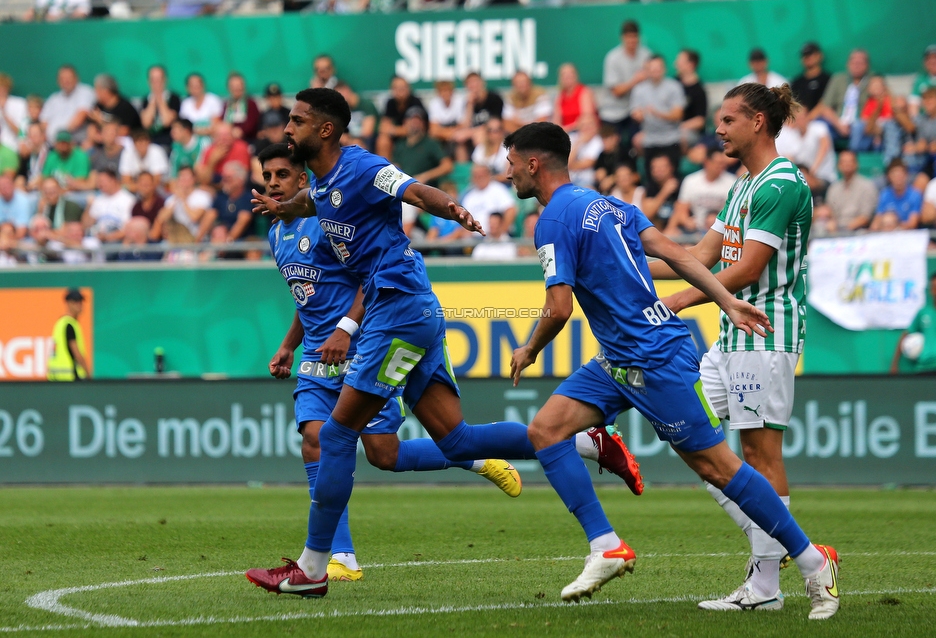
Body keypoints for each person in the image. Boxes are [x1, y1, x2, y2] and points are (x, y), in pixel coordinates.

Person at [246, 89, 643, 598]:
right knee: (456, 441)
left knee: (338, 435)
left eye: (297, 121)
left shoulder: (362, 166)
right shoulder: (322, 184)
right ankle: (585, 441)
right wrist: (284, 207)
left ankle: (315, 566)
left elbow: (411, 190)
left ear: (325, 129)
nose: (287, 130)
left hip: (397, 310)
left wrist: (452, 208)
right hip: (413, 310)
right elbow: (313, 202)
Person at [505, 120, 838, 617]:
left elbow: (558, 309)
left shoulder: (551, 221)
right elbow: (680, 254)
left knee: (717, 467)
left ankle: (813, 562)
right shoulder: (610, 204)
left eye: (511, 165)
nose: (508, 174)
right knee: (546, 430)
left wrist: (529, 348)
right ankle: (605, 545)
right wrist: (725, 300)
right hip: (617, 358)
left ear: (534, 164)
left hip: (655, 357)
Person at [257, 142, 523, 582]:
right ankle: (339, 556)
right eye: (267, 177)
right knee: (315, 439)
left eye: (281, 176)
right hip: (317, 356)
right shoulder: (276, 234)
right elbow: (307, 298)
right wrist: (289, 344)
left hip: (362, 343)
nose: (272, 185)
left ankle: (473, 457)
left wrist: (347, 327)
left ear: (302, 180)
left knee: (382, 453)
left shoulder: (327, 220)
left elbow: (369, 278)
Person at [648, 84, 829, 614]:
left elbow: (749, 269)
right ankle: (798, 556)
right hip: (730, 335)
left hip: (764, 332)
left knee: (757, 455)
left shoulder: (781, 184)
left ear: (756, 121)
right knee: (694, 438)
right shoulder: (743, 184)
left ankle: (768, 587)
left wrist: (680, 298)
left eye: (727, 120)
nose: (718, 129)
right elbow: (700, 254)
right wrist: (622, 260)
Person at [630, 55, 685, 177]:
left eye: (658, 67)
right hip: (649, 138)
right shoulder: (639, 89)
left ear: (664, 69)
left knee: (673, 175)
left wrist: (657, 113)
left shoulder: (674, 86)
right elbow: (635, 111)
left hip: (671, 136)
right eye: (652, 68)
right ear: (647, 70)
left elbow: (678, 114)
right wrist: (637, 115)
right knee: (651, 175)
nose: (655, 71)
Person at [664, 148, 737, 236]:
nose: (720, 166)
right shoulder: (691, 180)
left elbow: (734, 211)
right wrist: (687, 221)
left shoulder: (732, 181)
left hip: (723, 229)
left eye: (722, 163)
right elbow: (681, 208)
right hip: (696, 229)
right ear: (707, 162)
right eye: (717, 163)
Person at [600, 20, 651, 138]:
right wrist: (635, 80)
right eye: (629, 37)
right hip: (613, 110)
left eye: (635, 36)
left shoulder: (646, 55)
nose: (632, 40)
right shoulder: (612, 58)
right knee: (613, 143)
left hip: (637, 109)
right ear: (622, 38)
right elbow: (616, 92)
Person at [820, 150, 878, 233]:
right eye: (843, 162)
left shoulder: (867, 186)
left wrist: (846, 229)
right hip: (836, 229)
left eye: (850, 161)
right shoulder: (834, 188)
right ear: (838, 166)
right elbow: (830, 212)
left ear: (856, 164)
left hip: (859, 230)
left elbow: (866, 217)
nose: (847, 164)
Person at [40, 65, 95, 144]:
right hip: (51, 143)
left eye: (69, 78)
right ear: (58, 81)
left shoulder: (85, 92)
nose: (66, 81)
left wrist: (61, 136)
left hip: (74, 142)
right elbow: (44, 121)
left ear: (76, 78)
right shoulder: (53, 98)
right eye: (63, 78)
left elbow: (82, 115)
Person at [47, 288, 91, 381]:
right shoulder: (69, 324)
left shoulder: (60, 323)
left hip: (55, 377)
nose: (79, 305)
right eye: (75, 301)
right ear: (68, 303)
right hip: (69, 377)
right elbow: (77, 353)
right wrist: (88, 375)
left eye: (80, 301)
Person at [870, 159, 922, 231]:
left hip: (906, 234)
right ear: (889, 177)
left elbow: (913, 223)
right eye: (894, 175)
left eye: (900, 175)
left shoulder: (915, 195)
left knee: (889, 220)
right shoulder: (884, 194)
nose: (898, 178)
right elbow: (877, 220)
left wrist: (894, 225)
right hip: (886, 233)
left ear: (906, 175)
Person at [139, 65, 182, 148]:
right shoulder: (146, 100)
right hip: (150, 142)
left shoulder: (174, 98)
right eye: (153, 80)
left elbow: (167, 121)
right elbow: (146, 123)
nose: (156, 83)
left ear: (165, 80)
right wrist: (153, 101)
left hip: (169, 142)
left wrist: (160, 98)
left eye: (159, 79)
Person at [552, 63, 596, 133]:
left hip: (583, 132)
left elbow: (587, 118)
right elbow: (556, 120)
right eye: (564, 74)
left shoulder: (585, 92)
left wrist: (566, 129)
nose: (567, 76)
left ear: (576, 75)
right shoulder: (560, 96)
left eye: (570, 73)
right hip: (565, 133)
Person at [790, 42, 830, 111]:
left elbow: (825, 104)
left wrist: (808, 118)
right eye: (804, 55)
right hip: (799, 118)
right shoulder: (796, 82)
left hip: (821, 118)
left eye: (810, 54)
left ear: (819, 56)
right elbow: (792, 104)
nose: (807, 57)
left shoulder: (828, 79)